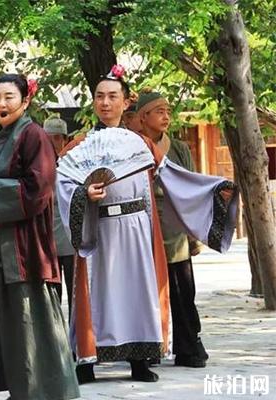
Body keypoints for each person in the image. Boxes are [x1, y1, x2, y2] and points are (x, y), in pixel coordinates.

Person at [56, 66, 238, 384]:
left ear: (126, 102)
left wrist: (212, 189)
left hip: (137, 228)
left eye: (113, 96)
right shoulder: (79, 145)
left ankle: (139, 360)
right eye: (100, 96)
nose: (105, 102)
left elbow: (173, 178)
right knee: (94, 295)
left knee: (137, 292)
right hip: (97, 228)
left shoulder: (141, 145)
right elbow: (64, 183)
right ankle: (86, 361)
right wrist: (85, 192)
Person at [0, 74, 80, 399]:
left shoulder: (34, 136)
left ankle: (45, 391)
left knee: (29, 321)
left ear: (25, 101)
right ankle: (19, 389)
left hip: (23, 247)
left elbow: (38, 189)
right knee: (4, 324)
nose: (1, 104)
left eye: (9, 97)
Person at [138, 90, 209, 368]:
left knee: (182, 291)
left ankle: (188, 347)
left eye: (168, 111)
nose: (166, 116)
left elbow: (192, 189)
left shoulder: (178, 148)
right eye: (159, 111)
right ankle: (149, 348)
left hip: (175, 227)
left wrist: (194, 235)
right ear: (143, 117)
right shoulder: (133, 145)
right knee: (147, 292)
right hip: (143, 225)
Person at [43, 116, 75, 317]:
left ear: (64, 139)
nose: (53, 143)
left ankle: (77, 343)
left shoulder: (71, 164)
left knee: (75, 295)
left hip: (70, 239)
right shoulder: (37, 165)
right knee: (51, 296)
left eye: (57, 138)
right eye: (48, 138)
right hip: (47, 241)